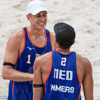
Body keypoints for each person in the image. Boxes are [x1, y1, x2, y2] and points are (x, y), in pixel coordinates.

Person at [2, 0, 55, 100]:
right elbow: (6, 73)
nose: (42, 19)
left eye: (44, 15)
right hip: (20, 95)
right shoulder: (17, 38)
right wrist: (35, 77)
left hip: (44, 95)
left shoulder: (53, 39)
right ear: (28, 17)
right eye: (38, 16)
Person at [33, 22, 93, 100]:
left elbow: (36, 97)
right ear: (73, 42)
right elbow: (89, 98)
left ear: (56, 41)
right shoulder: (84, 63)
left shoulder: (41, 61)